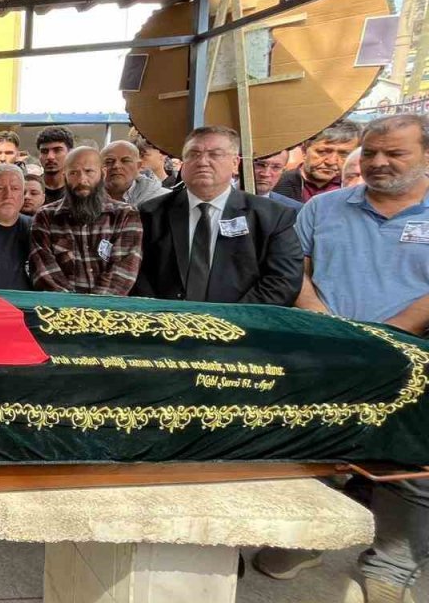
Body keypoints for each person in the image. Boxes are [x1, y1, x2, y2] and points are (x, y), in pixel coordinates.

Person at [257, 115, 429, 603]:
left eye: (394, 154)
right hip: (327, 348)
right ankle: (305, 538)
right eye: (371, 152)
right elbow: (299, 271)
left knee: (408, 463)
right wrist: (326, 326)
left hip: (413, 355)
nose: (377, 162)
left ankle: (393, 563)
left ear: (426, 155)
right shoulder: (325, 208)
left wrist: (394, 336)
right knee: (313, 449)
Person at [133, 127, 302, 305]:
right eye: (194, 154)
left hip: (242, 325)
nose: (203, 162)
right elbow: (139, 274)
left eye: (215, 154)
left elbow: (283, 281)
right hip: (167, 324)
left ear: (235, 163)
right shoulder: (151, 213)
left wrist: (229, 319)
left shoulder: (271, 217)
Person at [29, 146, 142, 295]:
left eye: (89, 171)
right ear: (65, 176)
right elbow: (44, 271)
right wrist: (72, 310)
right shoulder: (45, 216)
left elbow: (123, 272)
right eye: (74, 173)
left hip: (109, 311)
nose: (82, 179)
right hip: (59, 311)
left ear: (102, 173)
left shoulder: (125, 215)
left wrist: (91, 310)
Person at [272, 120, 362, 203]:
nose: (331, 161)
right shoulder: (275, 185)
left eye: (343, 154)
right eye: (322, 152)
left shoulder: (359, 189)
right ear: (304, 150)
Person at [102, 140, 168, 207]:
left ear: (138, 166)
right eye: (109, 161)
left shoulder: (162, 199)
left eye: (125, 161)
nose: (116, 166)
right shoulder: (91, 196)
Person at [36, 126, 75, 204]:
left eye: (57, 150)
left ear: (70, 153)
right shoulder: (29, 189)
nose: (50, 157)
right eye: (44, 151)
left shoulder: (77, 188)